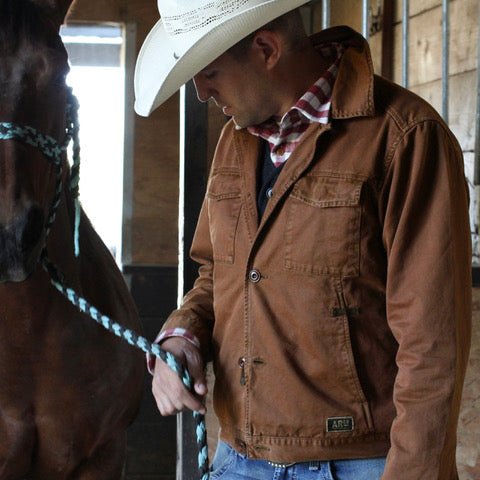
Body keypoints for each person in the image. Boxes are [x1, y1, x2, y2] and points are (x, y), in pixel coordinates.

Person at [134, 1, 472, 479]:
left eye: (209, 73)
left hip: (359, 465)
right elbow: (216, 274)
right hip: (239, 458)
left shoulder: (405, 138)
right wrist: (182, 337)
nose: (202, 92)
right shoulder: (235, 141)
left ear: (266, 49)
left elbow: (432, 343)